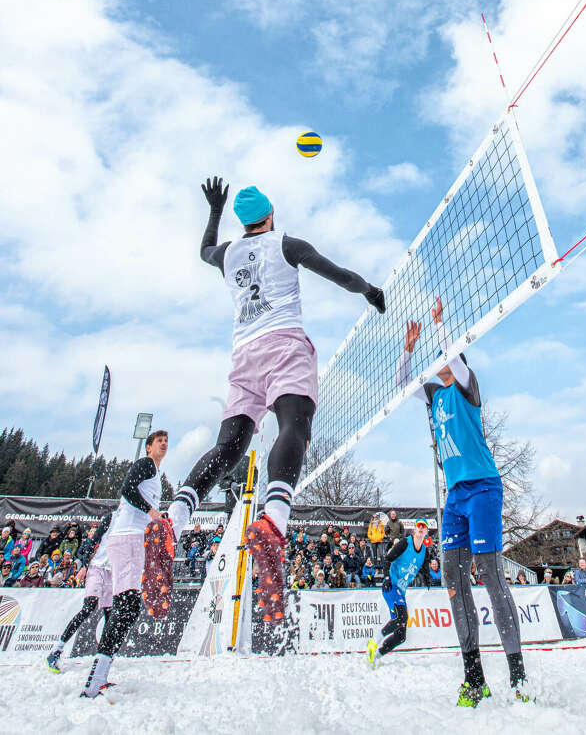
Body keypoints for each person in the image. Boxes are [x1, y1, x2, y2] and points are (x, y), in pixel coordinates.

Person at [143, 177, 385, 624]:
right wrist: (370, 290)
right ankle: (273, 519)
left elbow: (204, 250)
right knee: (295, 425)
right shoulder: (287, 244)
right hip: (283, 343)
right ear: (270, 215)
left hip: (244, 354)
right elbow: (340, 275)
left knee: (228, 447)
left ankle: (173, 518)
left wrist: (214, 210)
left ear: (245, 221)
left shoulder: (228, 254)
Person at [396, 299, 530, 706]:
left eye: (442, 360)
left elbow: (454, 358)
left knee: (490, 575)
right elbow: (404, 383)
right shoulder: (434, 396)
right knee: (453, 581)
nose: (437, 365)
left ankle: (518, 677)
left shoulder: (467, 388)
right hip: (455, 497)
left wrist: (440, 325)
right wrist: (409, 346)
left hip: (484, 490)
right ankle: (474, 678)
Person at [80, 430, 168, 698]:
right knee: (128, 606)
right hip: (127, 539)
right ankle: (96, 678)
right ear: (148, 447)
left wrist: (156, 519)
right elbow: (127, 489)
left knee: (125, 607)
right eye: (159, 441)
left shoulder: (155, 474)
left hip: (130, 539)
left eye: (167, 441)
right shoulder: (145, 464)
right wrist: (151, 512)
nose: (164, 444)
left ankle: (100, 675)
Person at [46, 514, 114, 673]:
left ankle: (103, 657)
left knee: (110, 616)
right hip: (97, 568)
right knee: (88, 608)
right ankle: (57, 650)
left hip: (113, 573)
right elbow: (93, 542)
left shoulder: (135, 521)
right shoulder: (112, 518)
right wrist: (84, 565)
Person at [367, 519, 430, 666]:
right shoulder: (405, 543)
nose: (421, 528)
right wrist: (387, 577)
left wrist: (427, 578)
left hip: (400, 591)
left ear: (426, 532)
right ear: (414, 530)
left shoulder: (424, 551)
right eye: (419, 525)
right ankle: (374, 640)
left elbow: (424, 567)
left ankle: (375, 656)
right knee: (402, 617)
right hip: (391, 585)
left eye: (424, 526)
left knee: (401, 635)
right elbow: (387, 559)